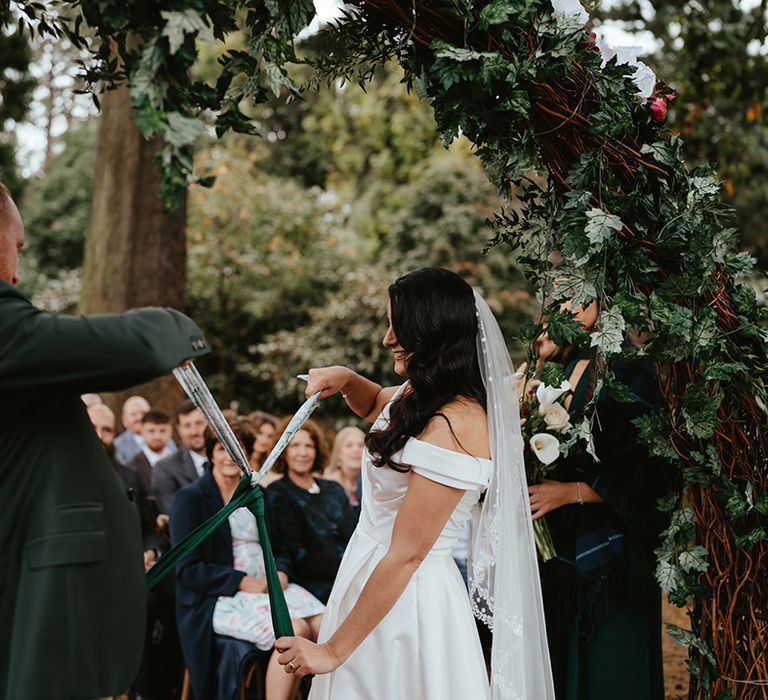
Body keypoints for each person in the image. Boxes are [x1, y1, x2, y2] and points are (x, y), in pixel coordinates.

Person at [274, 268, 554, 699]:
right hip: (371, 579)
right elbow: (374, 405)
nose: (387, 339)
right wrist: (347, 378)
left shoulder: (456, 425)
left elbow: (407, 555)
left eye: (397, 327)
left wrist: (331, 651)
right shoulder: (421, 395)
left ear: (432, 332)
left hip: (406, 604)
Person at [0, 181, 211, 699]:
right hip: (40, 606)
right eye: (17, 248)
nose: (17, 271)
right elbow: (123, 348)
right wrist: (177, 330)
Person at [529, 302, 672, 700]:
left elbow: (656, 467)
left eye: (578, 300)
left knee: (612, 672)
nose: (566, 309)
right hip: (561, 548)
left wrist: (573, 492)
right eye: (559, 300)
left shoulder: (628, 367)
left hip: (614, 554)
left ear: (603, 299)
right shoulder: (558, 367)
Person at [170, 420, 324, 700]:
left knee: (326, 623)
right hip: (219, 597)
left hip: (269, 587)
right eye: (221, 449)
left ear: (249, 455)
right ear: (210, 453)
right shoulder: (190, 498)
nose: (229, 457)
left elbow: (279, 548)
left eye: (238, 450)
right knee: (295, 630)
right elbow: (188, 569)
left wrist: (281, 571)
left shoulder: (256, 495)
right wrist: (244, 582)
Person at [265, 419, 358, 603]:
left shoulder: (333, 489)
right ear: (283, 452)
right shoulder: (278, 493)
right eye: (295, 446)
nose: (303, 453)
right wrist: (349, 567)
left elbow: (355, 535)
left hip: (353, 575)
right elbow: (298, 556)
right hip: (313, 586)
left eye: (309, 446)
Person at [152, 399, 209, 516]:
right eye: (187, 426)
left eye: (199, 423)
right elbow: (174, 514)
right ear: (179, 430)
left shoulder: (226, 462)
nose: (194, 431)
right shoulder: (165, 469)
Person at [126, 409, 175, 492]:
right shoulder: (131, 468)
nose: (157, 436)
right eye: (151, 431)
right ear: (142, 432)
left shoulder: (180, 461)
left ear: (170, 432)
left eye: (162, 431)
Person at [323, 425, 365, 511]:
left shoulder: (371, 481)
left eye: (361, 445)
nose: (356, 450)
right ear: (338, 453)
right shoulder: (330, 484)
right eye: (349, 445)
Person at [114, 395, 152, 463]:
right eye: (133, 414)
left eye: (143, 413)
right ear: (124, 420)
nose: (140, 417)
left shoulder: (165, 439)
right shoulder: (117, 447)